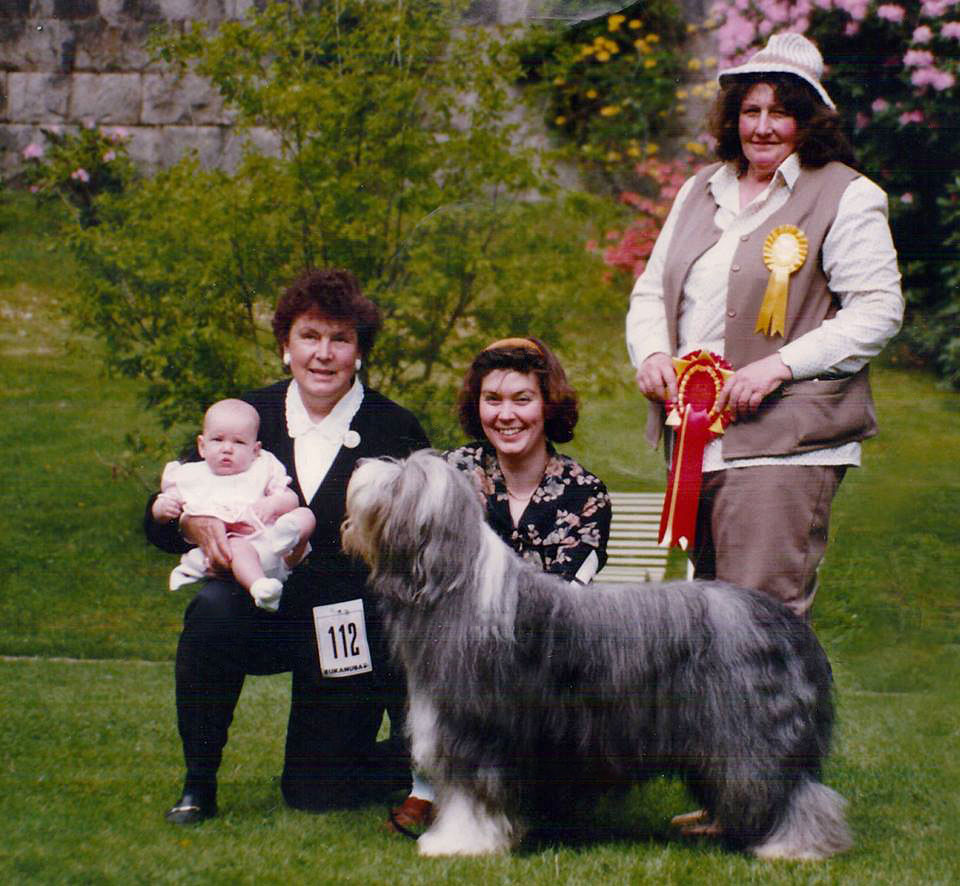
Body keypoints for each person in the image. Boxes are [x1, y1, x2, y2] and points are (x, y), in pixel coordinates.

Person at [626, 32, 903, 620]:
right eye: (750, 110)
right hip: (695, 441)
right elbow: (652, 288)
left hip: (783, 444)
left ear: (808, 120)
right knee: (705, 623)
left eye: (780, 112)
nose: (762, 127)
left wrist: (779, 366)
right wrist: (651, 353)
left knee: (759, 623)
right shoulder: (700, 188)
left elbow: (878, 309)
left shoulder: (849, 196)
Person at [146, 268, 430, 824]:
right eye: (309, 336)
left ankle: (418, 763)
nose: (323, 354)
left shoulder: (394, 427)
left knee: (315, 792)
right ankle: (198, 783)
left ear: (359, 351)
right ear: (285, 345)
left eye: (340, 339)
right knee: (211, 611)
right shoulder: (246, 416)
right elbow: (163, 513)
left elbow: (421, 541)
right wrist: (191, 526)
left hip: (345, 625)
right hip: (259, 610)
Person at [388, 336, 612, 833]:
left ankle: (527, 785)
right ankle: (428, 784)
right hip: (453, 655)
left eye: (522, 399)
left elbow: (566, 600)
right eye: (492, 399)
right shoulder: (451, 473)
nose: (506, 415)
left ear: (547, 405)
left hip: (538, 658)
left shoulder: (583, 492)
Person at [153, 398, 316, 612]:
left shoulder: (263, 467)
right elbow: (166, 500)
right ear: (202, 446)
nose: (227, 449)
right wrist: (162, 509)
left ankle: (290, 532)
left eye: (239, 442)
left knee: (305, 514)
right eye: (218, 439)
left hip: (282, 548)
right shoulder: (190, 475)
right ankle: (261, 588)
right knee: (237, 547)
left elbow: (290, 499)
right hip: (241, 551)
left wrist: (274, 503)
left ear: (255, 450)